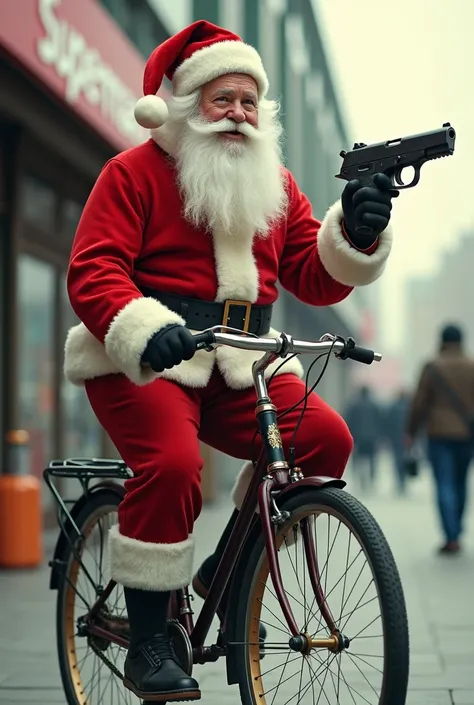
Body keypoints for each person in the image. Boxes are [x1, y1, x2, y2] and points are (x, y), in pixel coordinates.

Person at [64, 20, 398, 702]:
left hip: (240, 364)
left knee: (327, 437)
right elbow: (92, 270)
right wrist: (141, 329)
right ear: (187, 104)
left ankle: (224, 570)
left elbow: (314, 272)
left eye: (250, 100)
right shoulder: (131, 173)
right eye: (223, 99)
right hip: (145, 362)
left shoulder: (272, 183)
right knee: (174, 464)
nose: (240, 113)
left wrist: (357, 230)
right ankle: (150, 643)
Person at [406, 324, 474, 555]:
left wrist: (411, 431)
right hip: (467, 434)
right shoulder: (471, 366)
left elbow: (419, 403)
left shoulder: (433, 366)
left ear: (442, 341)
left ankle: (451, 535)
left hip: (438, 434)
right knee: (461, 482)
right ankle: (457, 529)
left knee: (444, 483)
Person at [345, 386, 382, 492]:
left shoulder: (354, 405)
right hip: (372, 437)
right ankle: (371, 478)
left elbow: (348, 421)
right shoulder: (374, 405)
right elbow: (379, 421)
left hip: (358, 437)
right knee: (372, 459)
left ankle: (360, 479)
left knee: (358, 459)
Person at [385, 389, 411, 494]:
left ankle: (400, 480)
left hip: (396, 438)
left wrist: (388, 436)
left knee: (397, 459)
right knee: (405, 458)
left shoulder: (394, 407)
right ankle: (404, 480)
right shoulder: (410, 407)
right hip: (407, 437)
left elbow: (388, 423)